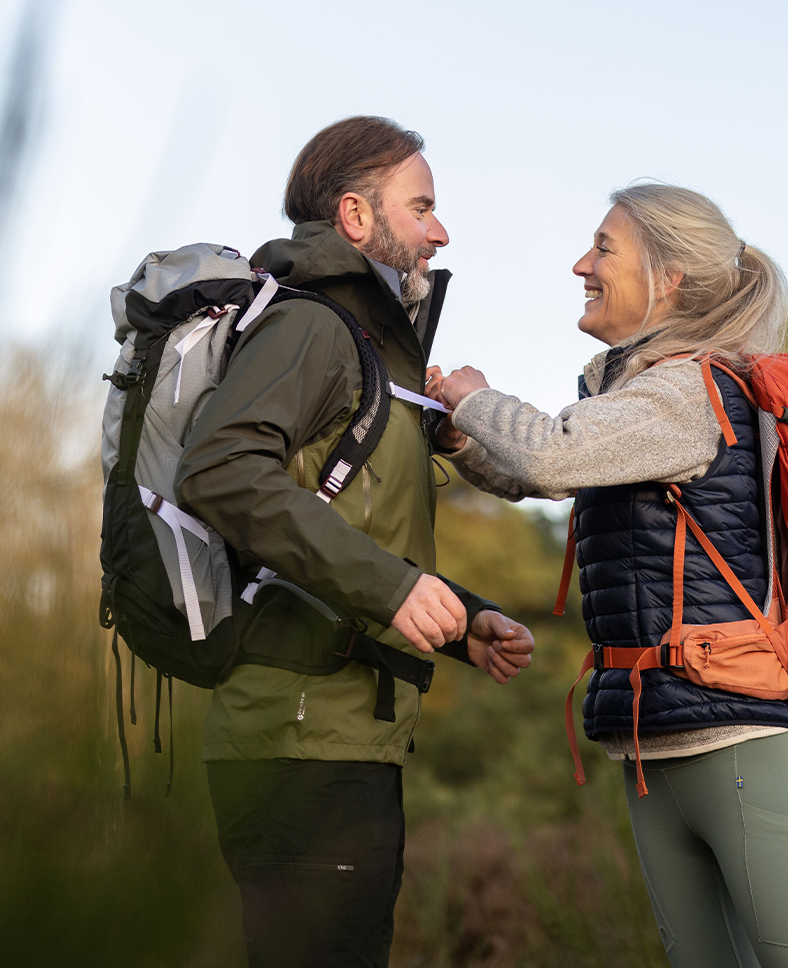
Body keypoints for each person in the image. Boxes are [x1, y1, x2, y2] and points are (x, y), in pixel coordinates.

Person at [426, 184, 788, 968]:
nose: (581, 265)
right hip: (650, 743)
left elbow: (551, 454)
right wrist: (458, 438)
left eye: (604, 248)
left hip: (737, 744)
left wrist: (475, 396)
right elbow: (536, 474)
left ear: (670, 277)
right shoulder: (636, 393)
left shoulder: (688, 390)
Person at [174, 116, 537, 968]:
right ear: (355, 215)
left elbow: (347, 527)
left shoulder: (367, 348)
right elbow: (221, 471)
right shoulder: (315, 329)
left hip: (331, 736)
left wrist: (463, 619)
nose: (440, 232)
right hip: (304, 742)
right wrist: (395, 590)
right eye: (423, 207)